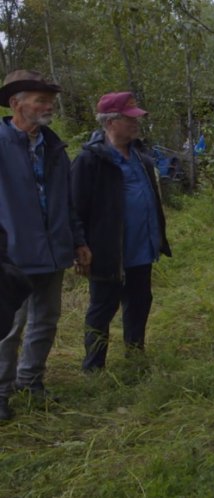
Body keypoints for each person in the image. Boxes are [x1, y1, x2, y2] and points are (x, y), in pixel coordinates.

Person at [0, 69, 91, 420]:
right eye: (40, 100)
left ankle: (31, 382)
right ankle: (1, 393)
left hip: (53, 251)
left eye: (49, 100)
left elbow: (66, 201)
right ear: (16, 104)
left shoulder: (53, 146)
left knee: (46, 321)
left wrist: (78, 241)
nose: (48, 105)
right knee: (8, 328)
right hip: (11, 256)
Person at [71, 92, 171, 372]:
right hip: (108, 251)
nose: (136, 123)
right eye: (130, 119)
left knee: (140, 302)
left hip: (142, 248)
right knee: (103, 307)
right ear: (111, 122)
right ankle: (93, 368)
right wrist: (79, 246)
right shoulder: (89, 161)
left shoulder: (140, 155)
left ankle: (136, 358)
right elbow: (74, 209)